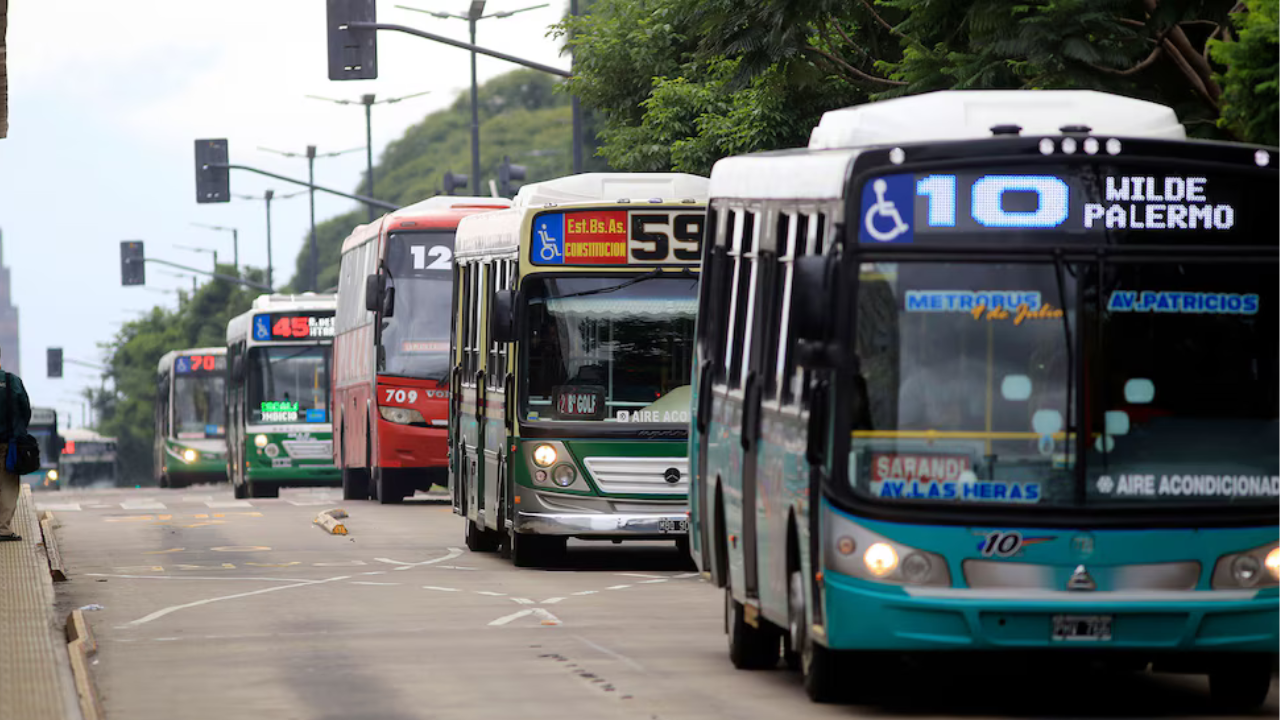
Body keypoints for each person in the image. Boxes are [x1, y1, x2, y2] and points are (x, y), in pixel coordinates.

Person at [0, 347, 31, 542]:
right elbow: (25, 409)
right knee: (8, 484)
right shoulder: (12, 382)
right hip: (8, 443)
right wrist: (19, 431)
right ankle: (3, 529)